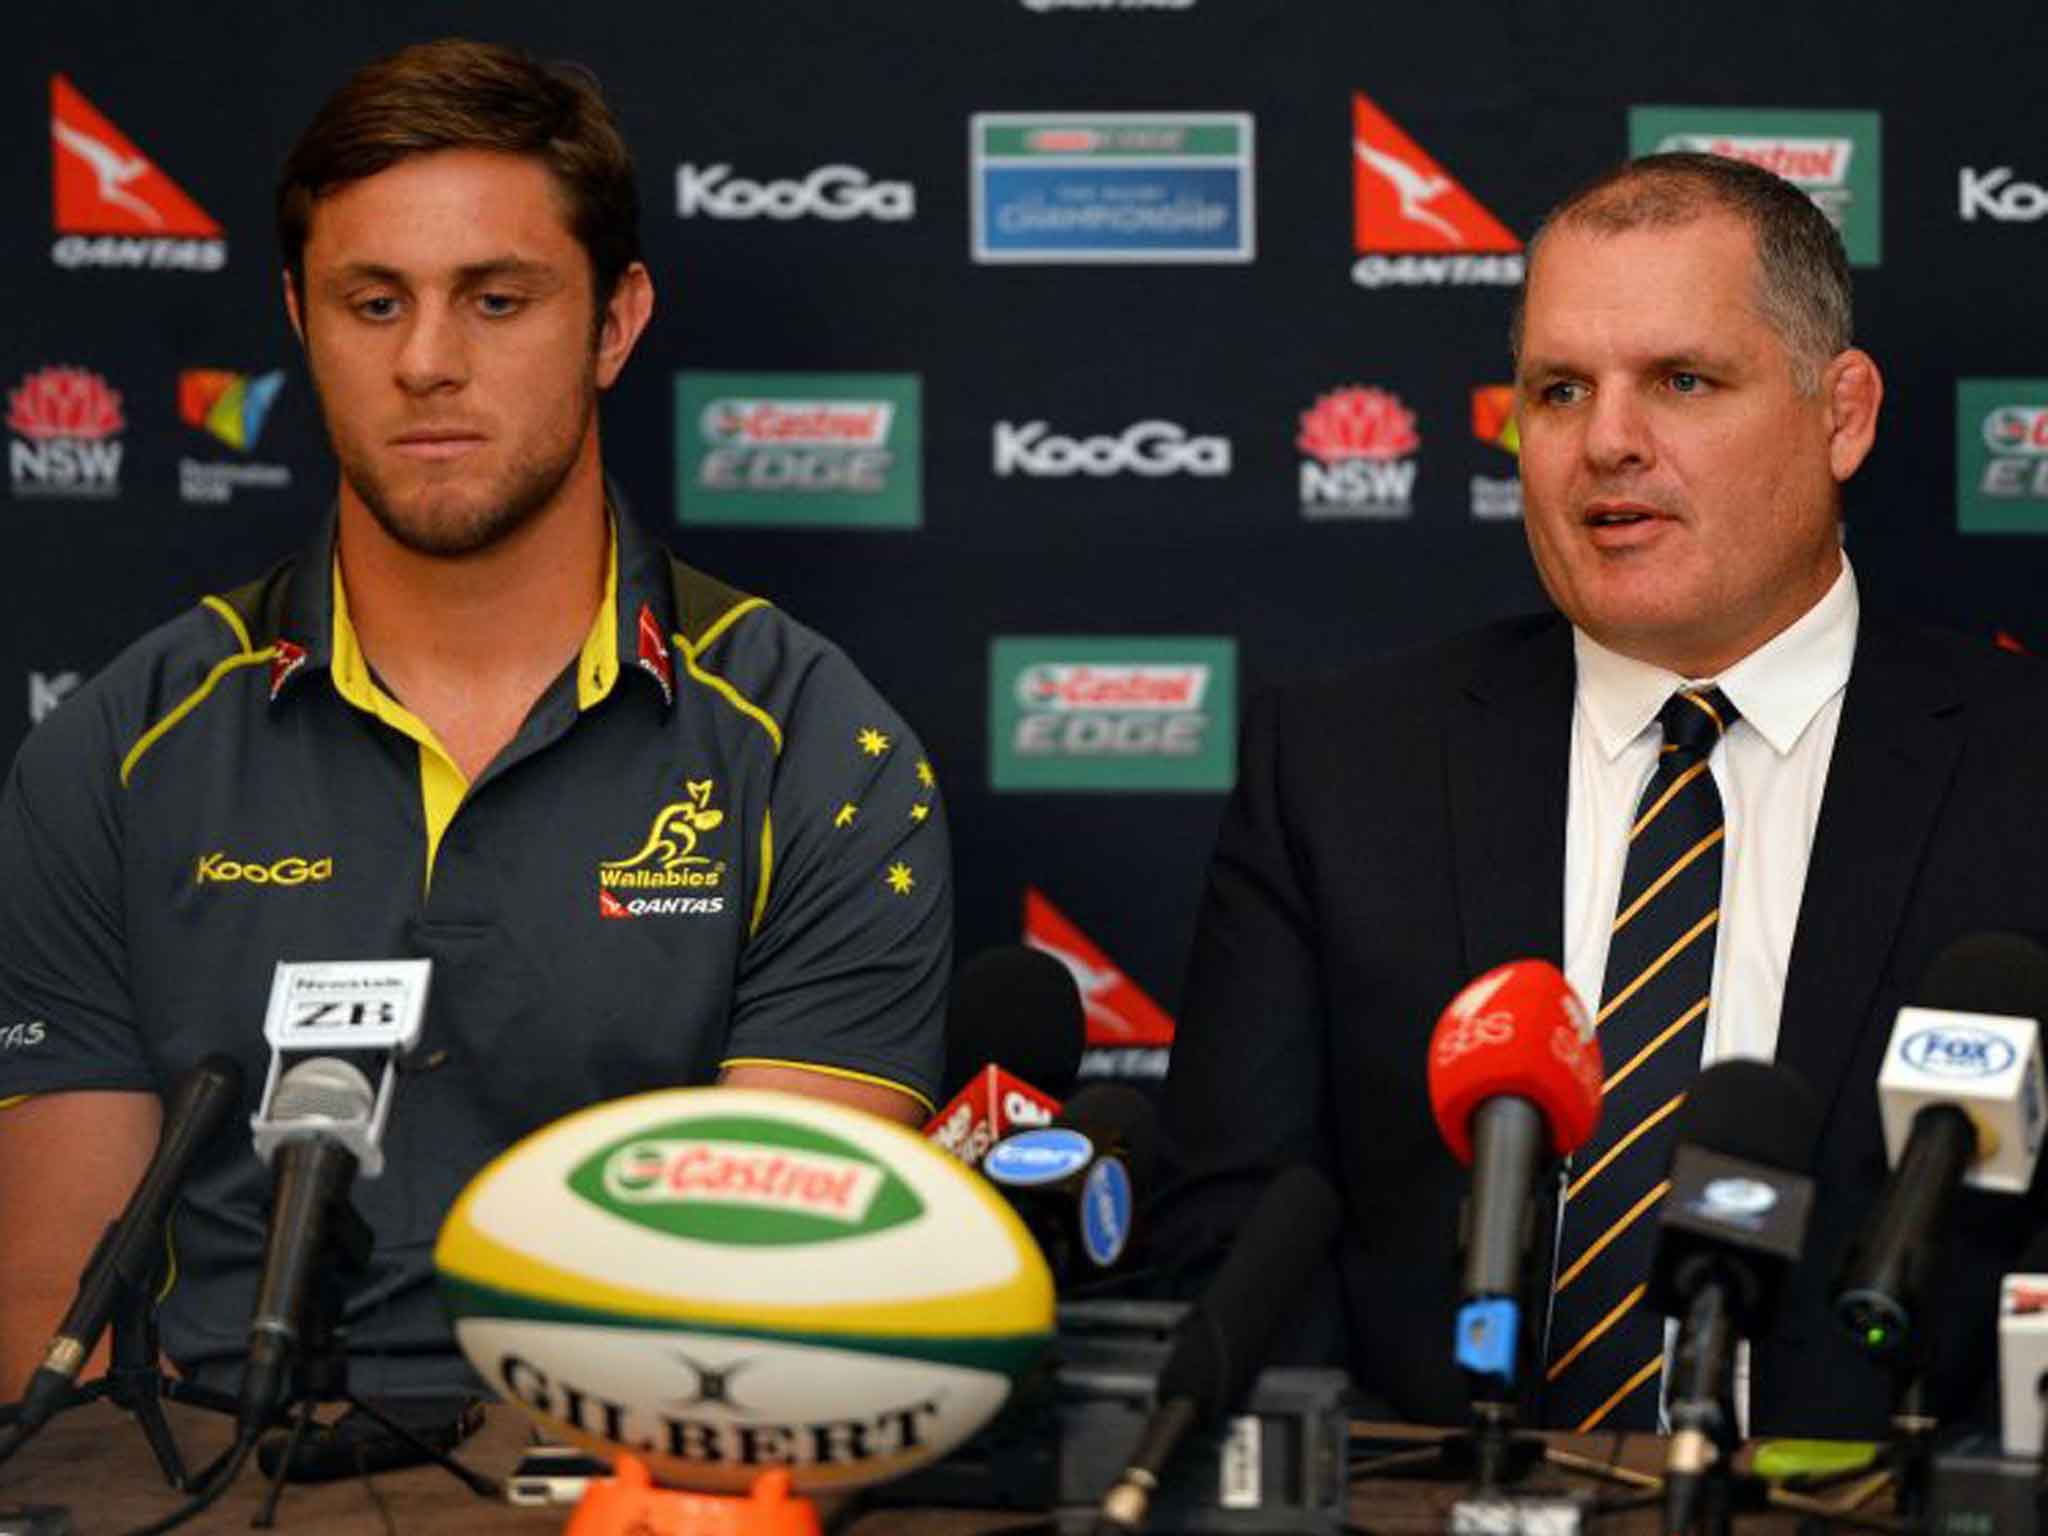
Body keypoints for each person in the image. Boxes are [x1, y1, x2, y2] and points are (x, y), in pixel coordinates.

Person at [0, 40, 949, 1403]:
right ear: (299, 317)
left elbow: (769, 1318)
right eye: (372, 304)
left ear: (615, 323)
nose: (429, 363)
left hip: (629, 1483)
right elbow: (55, 1345)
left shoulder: (817, 751)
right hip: (201, 1481)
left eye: (497, 300)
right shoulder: (115, 750)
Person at [1165, 151, 2048, 1437]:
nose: (1607, 441)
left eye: (1681, 381)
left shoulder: (2021, 767)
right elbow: (1235, 1235)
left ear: (1840, 415)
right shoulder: (1343, 766)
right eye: (1558, 390)